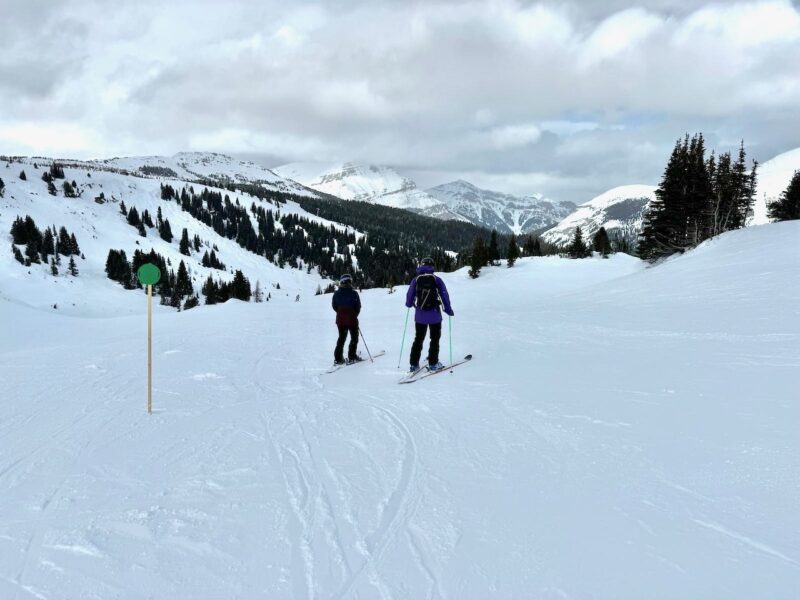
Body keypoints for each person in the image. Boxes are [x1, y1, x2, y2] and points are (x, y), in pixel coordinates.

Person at [405, 257, 454, 372]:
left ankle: (413, 364)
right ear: (432, 266)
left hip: (420, 316)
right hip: (435, 315)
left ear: (421, 265)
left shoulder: (416, 280)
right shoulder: (437, 280)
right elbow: (444, 295)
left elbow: (409, 297)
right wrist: (448, 309)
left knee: (418, 339)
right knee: (435, 339)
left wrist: (409, 304)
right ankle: (433, 363)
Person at [331, 274, 362, 365]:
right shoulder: (354, 293)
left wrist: (341, 313)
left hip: (340, 320)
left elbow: (334, 306)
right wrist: (354, 315)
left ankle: (338, 358)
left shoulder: (336, 294)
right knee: (354, 338)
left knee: (341, 338)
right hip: (351, 319)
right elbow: (358, 307)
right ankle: (352, 356)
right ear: (349, 282)